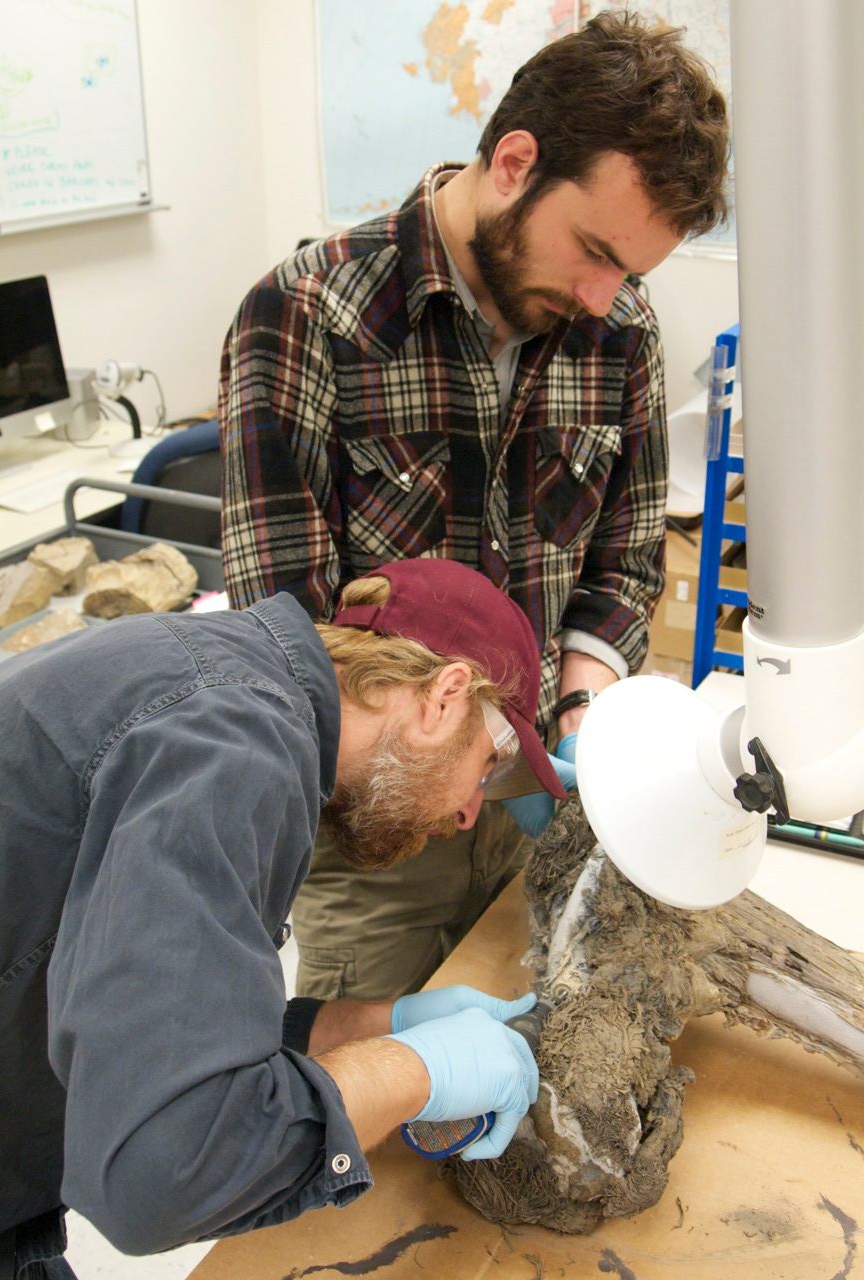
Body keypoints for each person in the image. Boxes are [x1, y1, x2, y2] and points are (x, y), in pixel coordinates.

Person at [219, 10, 729, 1001]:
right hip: (376, 838)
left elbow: (624, 563)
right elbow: (283, 632)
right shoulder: (307, 314)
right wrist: (457, 750)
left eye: (629, 269)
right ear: (514, 161)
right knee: (363, 1120)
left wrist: (581, 703)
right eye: (590, 249)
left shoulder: (618, 328)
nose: (600, 293)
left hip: (533, 809)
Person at [0, 558, 562, 1279]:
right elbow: (162, 1171)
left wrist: (371, 1026)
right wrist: (418, 1070)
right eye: (486, 769)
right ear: (445, 698)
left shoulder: (222, 679)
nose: (468, 813)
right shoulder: (237, 746)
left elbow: (135, 1010)